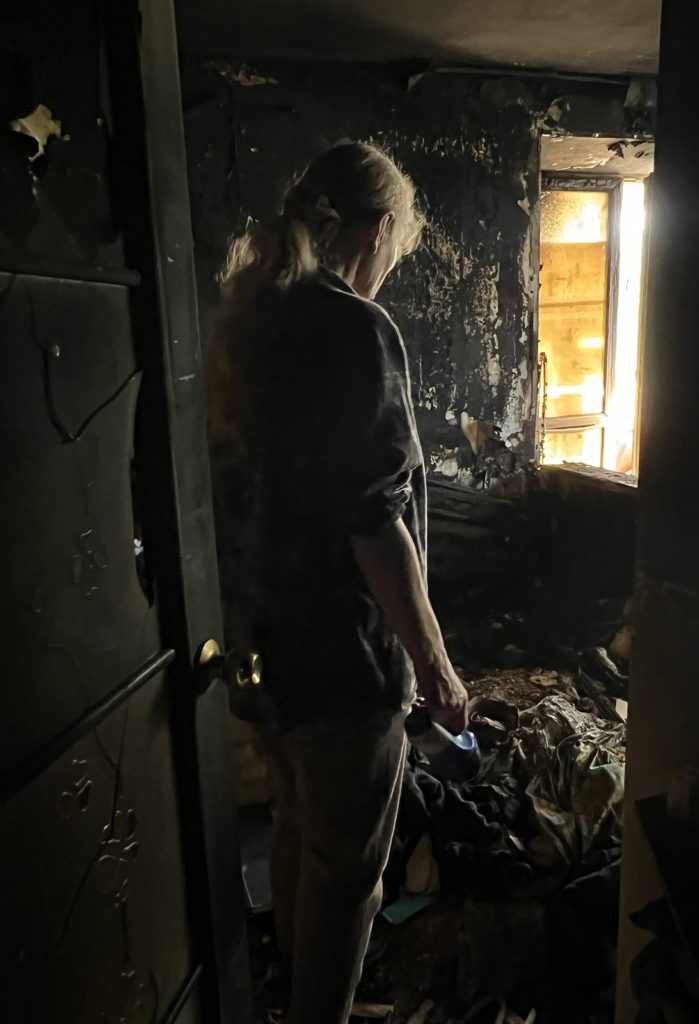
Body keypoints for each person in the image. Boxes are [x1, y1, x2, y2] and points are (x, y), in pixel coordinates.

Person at [207, 141, 469, 1024]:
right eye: (396, 253)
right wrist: (435, 666)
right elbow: (373, 518)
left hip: (260, 646)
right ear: (382, 230)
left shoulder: (252, 318)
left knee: (293, 827)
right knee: (349, 871)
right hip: (343, 662)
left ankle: (287, 993)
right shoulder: (355, 327)